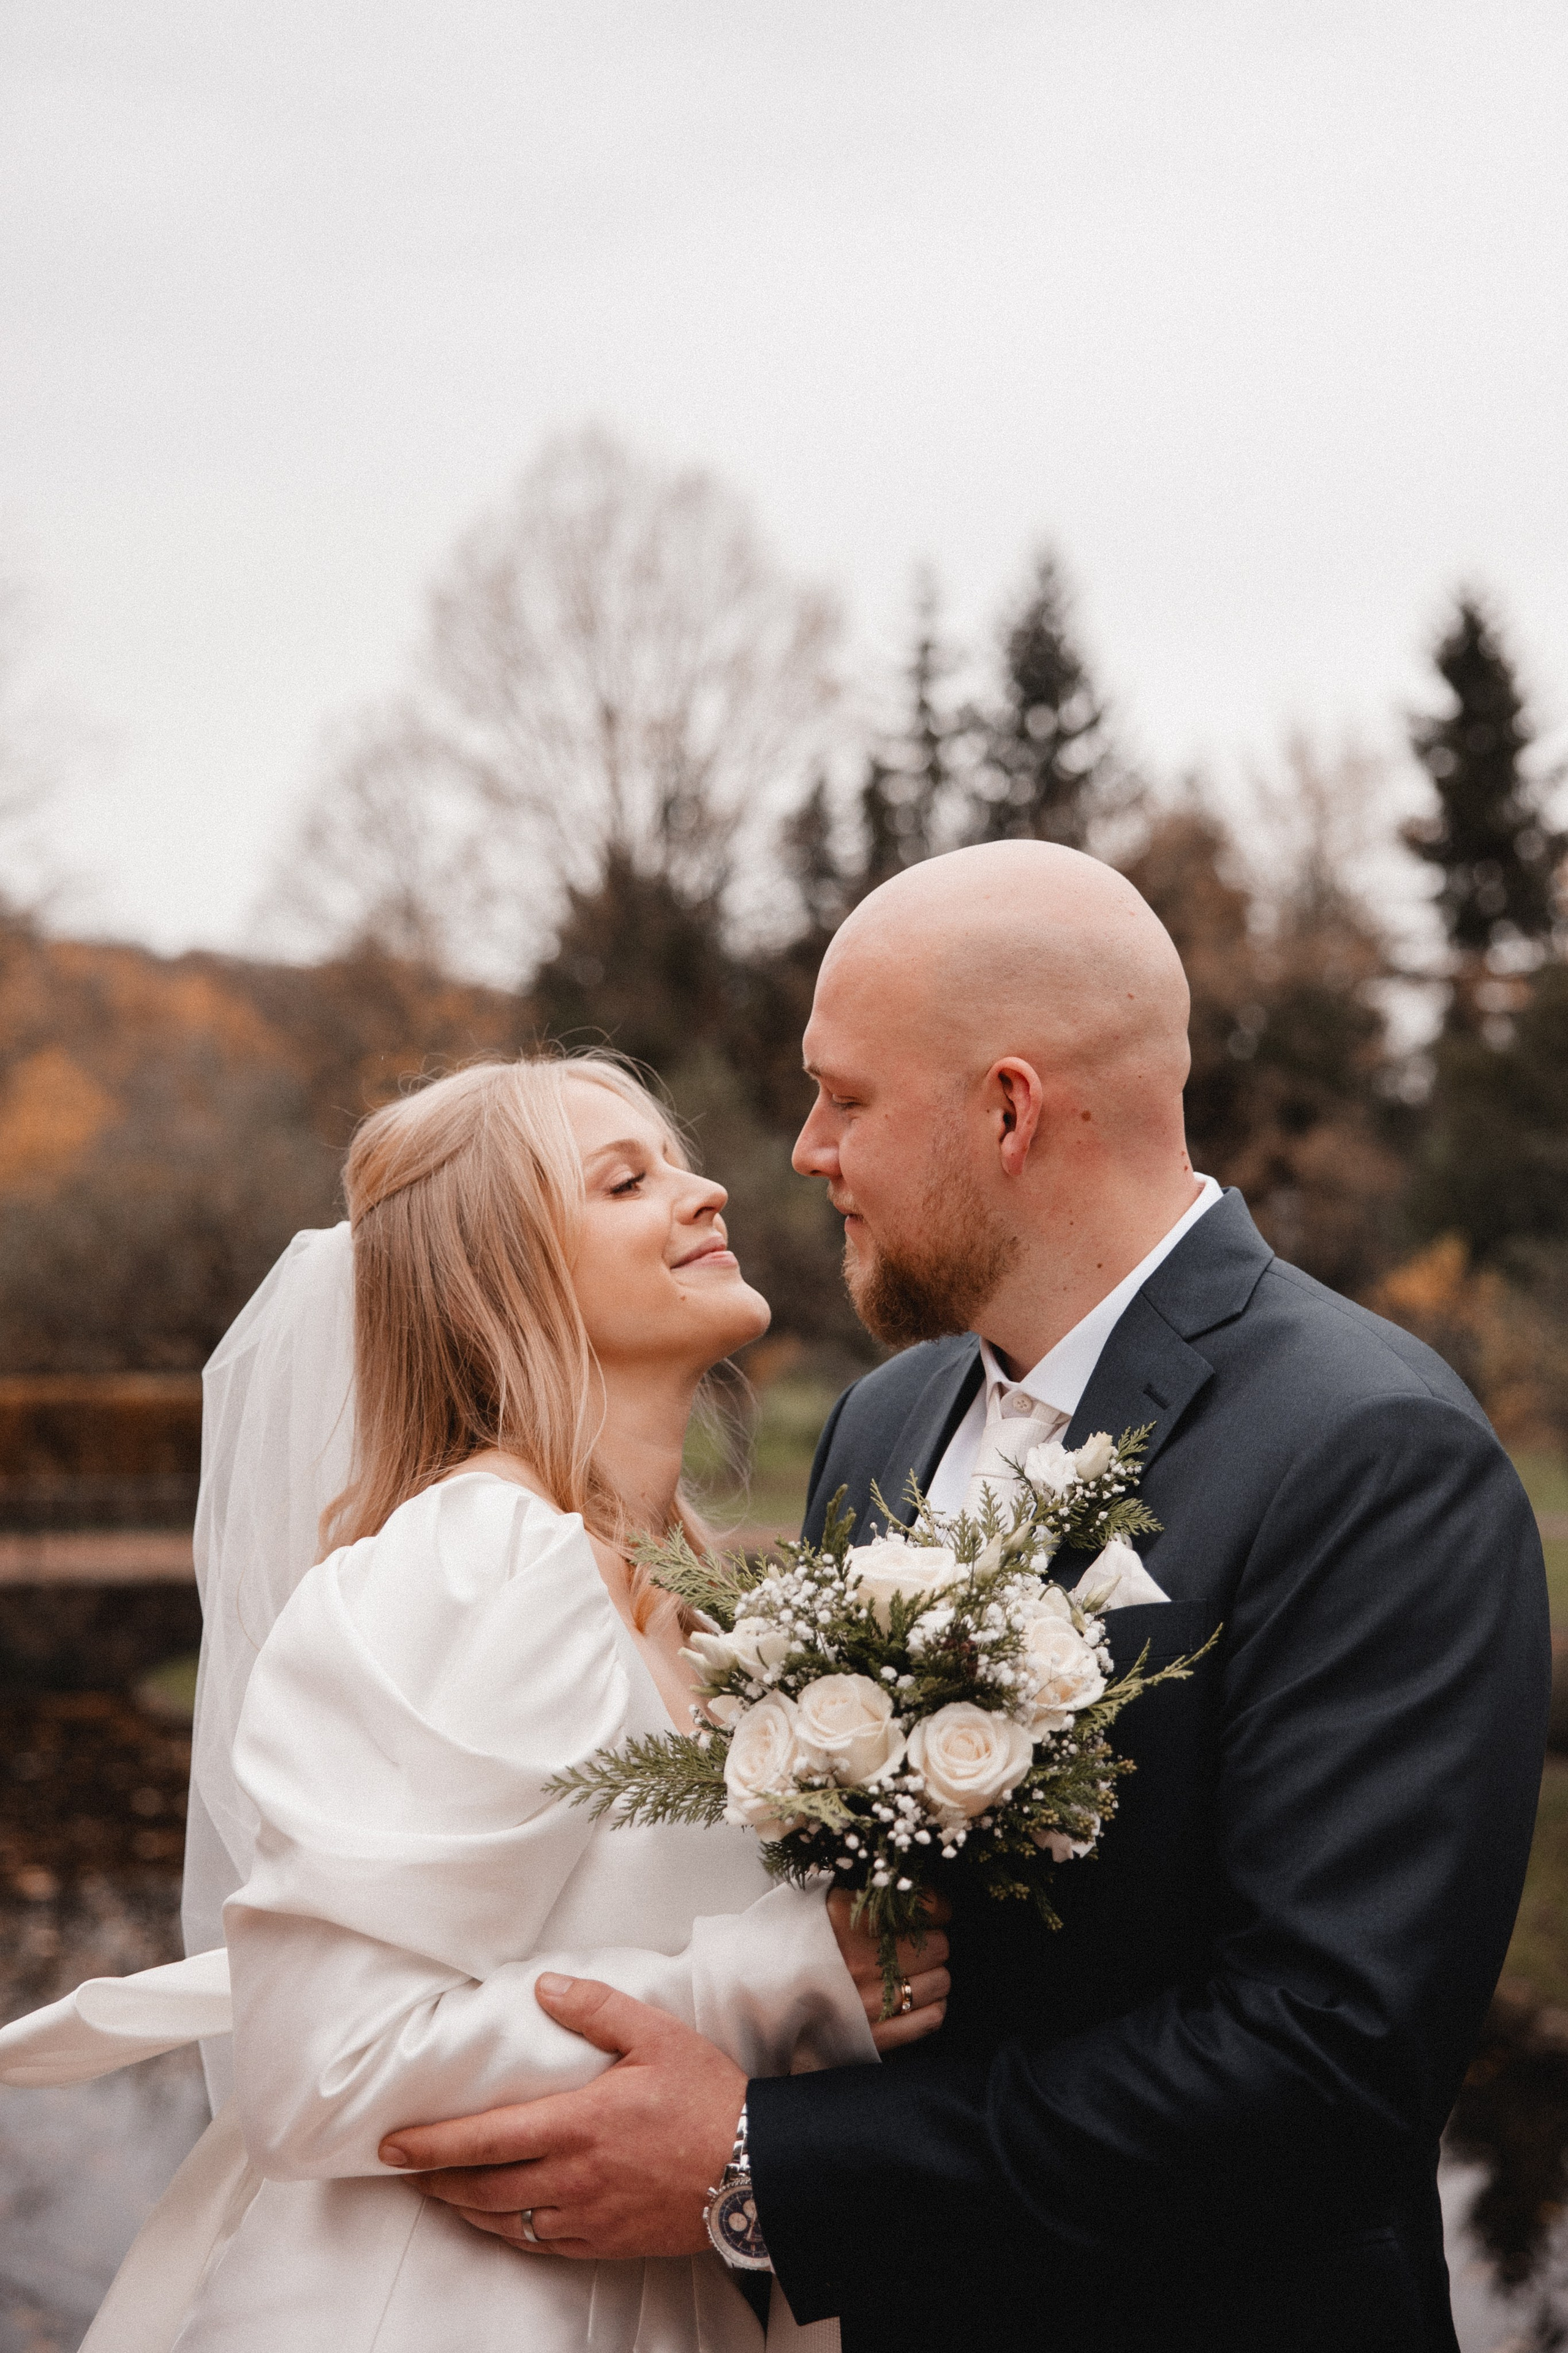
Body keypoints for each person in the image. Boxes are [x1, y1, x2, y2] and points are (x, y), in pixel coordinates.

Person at [385, 842, 1551, 2353]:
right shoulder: (884, 1423)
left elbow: (1324, 2067)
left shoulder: (1368, 1448)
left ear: (1007, 1109)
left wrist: (759, 2168)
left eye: (844, 1097)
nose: (803, 1150)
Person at [0, 1053, 949, 2353]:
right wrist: (772, 1974)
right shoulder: (479, 1562)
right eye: (627, 1180)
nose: (708, 1189)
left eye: (675, 1161)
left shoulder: (692, 1604)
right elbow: (322, 2064)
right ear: (502, 1274)